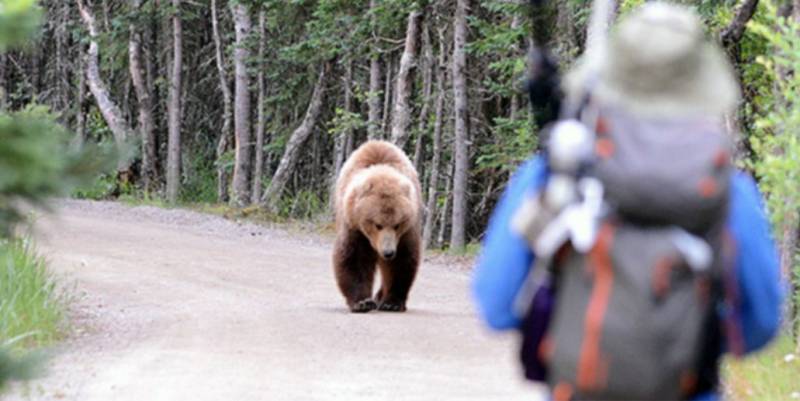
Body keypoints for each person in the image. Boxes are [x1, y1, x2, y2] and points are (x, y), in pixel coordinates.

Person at [472, 3, 784, 401]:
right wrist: (680, 341)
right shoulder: (728, 192)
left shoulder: (558, 172)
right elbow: (758, 328)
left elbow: (496, 306)